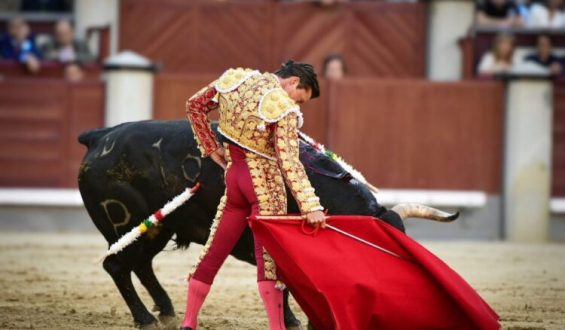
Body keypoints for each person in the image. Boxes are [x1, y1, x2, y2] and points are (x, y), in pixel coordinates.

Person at [181, 60, 326, 330]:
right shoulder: (283, 108)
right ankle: (276, 327)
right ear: (293, 82)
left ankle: (189, 322)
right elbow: (289, 162)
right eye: (301, 99)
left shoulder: (236, 80)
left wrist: (210, 146)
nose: (298, 104)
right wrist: (310, 205)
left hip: (234, 179)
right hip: (265, 185)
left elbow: (194, 105)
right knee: (269, 261)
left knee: (213, 251)